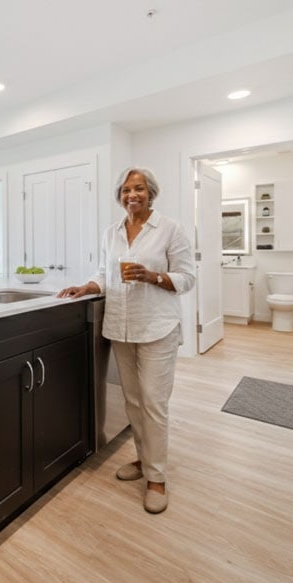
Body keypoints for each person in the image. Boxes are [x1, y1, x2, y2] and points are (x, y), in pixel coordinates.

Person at [58, 166, 195, 514]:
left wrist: (153, 276)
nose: (131, 195)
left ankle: (157, 478)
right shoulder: (112, 232)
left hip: (157, 326)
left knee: (154, 402)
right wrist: (88, 286)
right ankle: (142, 459)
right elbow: (104, 273)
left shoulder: (170, 229)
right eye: (125, 190)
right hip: (121, 326)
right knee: (133, 401)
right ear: (119, 196)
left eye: (139, 189)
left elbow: (187, 277)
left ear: (151, 193)